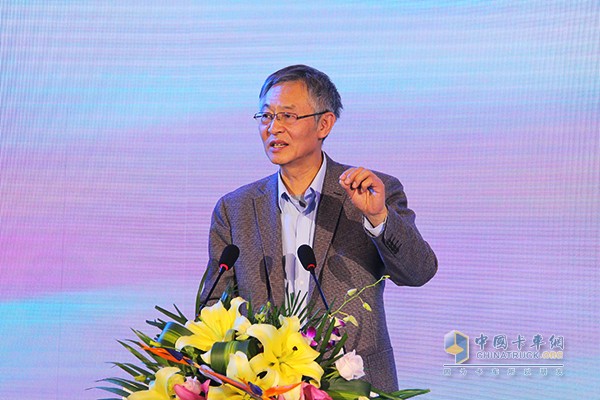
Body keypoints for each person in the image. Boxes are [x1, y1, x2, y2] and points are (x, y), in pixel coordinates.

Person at [200, 65, 437, 391]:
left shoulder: (369, 193)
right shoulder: (235, 209)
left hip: (355, 388)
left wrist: (379, 217)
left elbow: (419, 271)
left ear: (324, 123)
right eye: (266, 116)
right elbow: (214, 308)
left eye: (287, 116)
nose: (273, 128)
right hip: (263, 389)